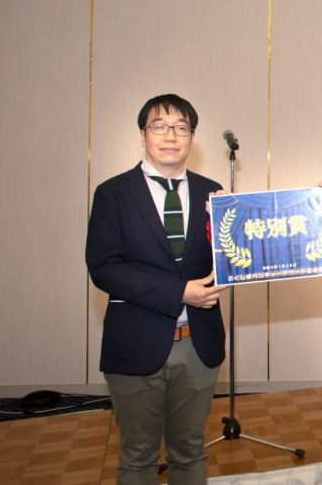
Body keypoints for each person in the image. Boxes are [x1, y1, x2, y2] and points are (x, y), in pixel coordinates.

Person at [86, 94, 227, 483]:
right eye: (159, 126)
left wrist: (226, 226)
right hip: (135, 344)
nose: (170, 136)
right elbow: (103, 268)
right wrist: (178, 292)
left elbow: (233, 261)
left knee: (191, 452)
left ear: (192, 137)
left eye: (181, 127)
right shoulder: (113, 193)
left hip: (198, 345)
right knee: (137, 457)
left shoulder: (212, 193)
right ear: (143, 134)